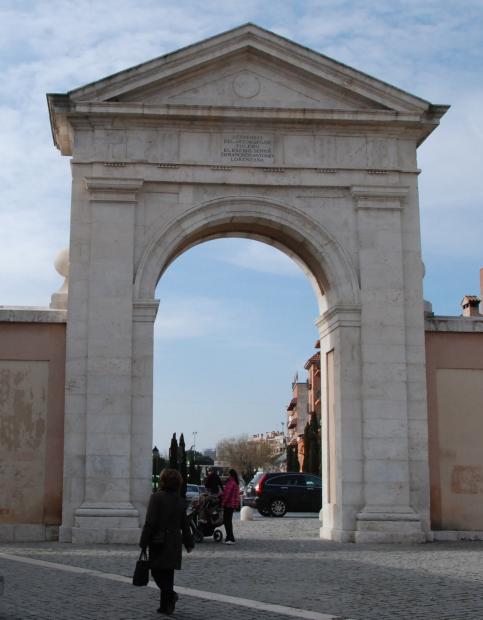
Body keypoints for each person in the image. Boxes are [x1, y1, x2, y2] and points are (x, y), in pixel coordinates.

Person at [140, 468, 194, 615]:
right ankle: (166, 606)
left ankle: (170, 597)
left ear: (163, 481)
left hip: (159, 540)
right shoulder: (180, 501)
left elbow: (150, 522)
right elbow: (185, 524)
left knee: (156, 571)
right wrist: (189, 542)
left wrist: (143, 541)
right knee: (168, 574)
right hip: (174, 541)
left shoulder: (156, 497)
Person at [221, 469, 240, 544]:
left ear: (230, 475)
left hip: (228, 505)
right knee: (228, 521)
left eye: (228, 474)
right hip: (232, 505)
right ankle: (229, 537)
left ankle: (230, 538)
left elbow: (227, 495)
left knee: (227, 522)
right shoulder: (235, 482)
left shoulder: (230, 483)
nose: (227, 476)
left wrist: (223, 503)